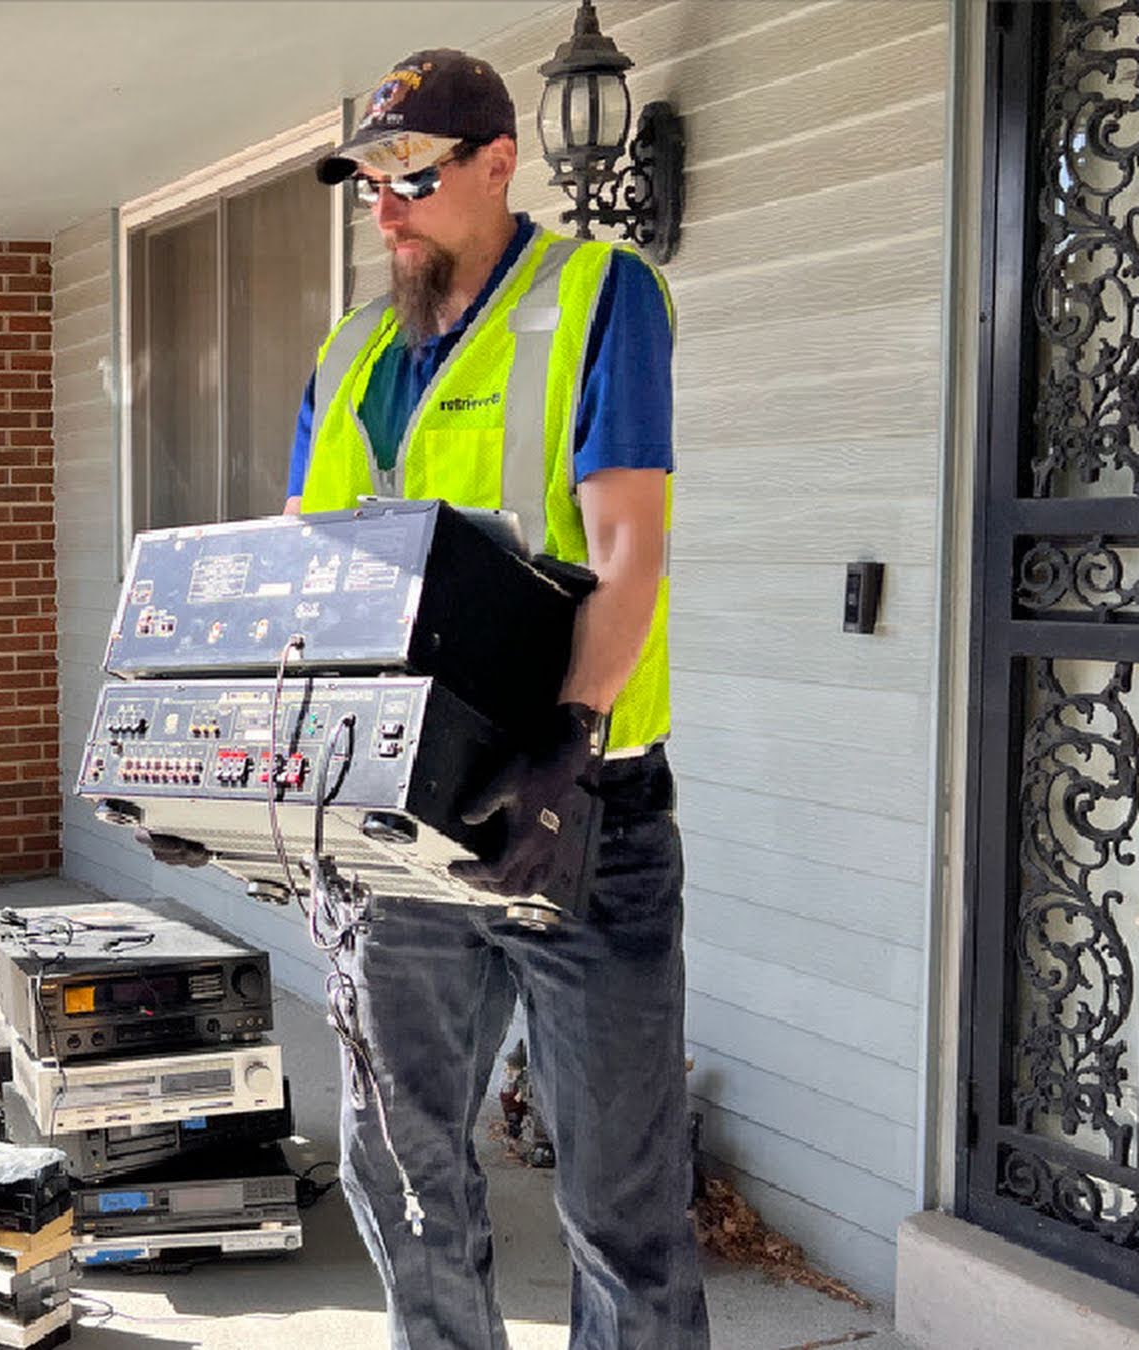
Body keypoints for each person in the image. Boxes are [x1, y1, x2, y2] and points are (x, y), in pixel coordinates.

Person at [291, 48, 708, 1350]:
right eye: (367, 183)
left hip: (580, 808)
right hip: (403, 823)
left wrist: (568, 746)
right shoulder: (355, 351)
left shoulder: (598, 295)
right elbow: (314, 587)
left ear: (496, 164)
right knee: (402, 1169)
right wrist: (304, 798)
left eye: (410, 177)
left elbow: (628, 550)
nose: (386, 208)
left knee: (619, 1207)